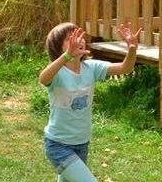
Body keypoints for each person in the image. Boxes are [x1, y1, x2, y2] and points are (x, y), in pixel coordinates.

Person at [39, 22, 142, 182]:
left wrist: (132, 49)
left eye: (80, 36)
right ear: (58, 47)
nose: (78, 40)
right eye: (70, 38)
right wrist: (67, 56)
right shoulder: (58, 73)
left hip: (81, 144)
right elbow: (43, 78)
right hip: (58, 145)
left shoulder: (91, 68)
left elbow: (125, 68)